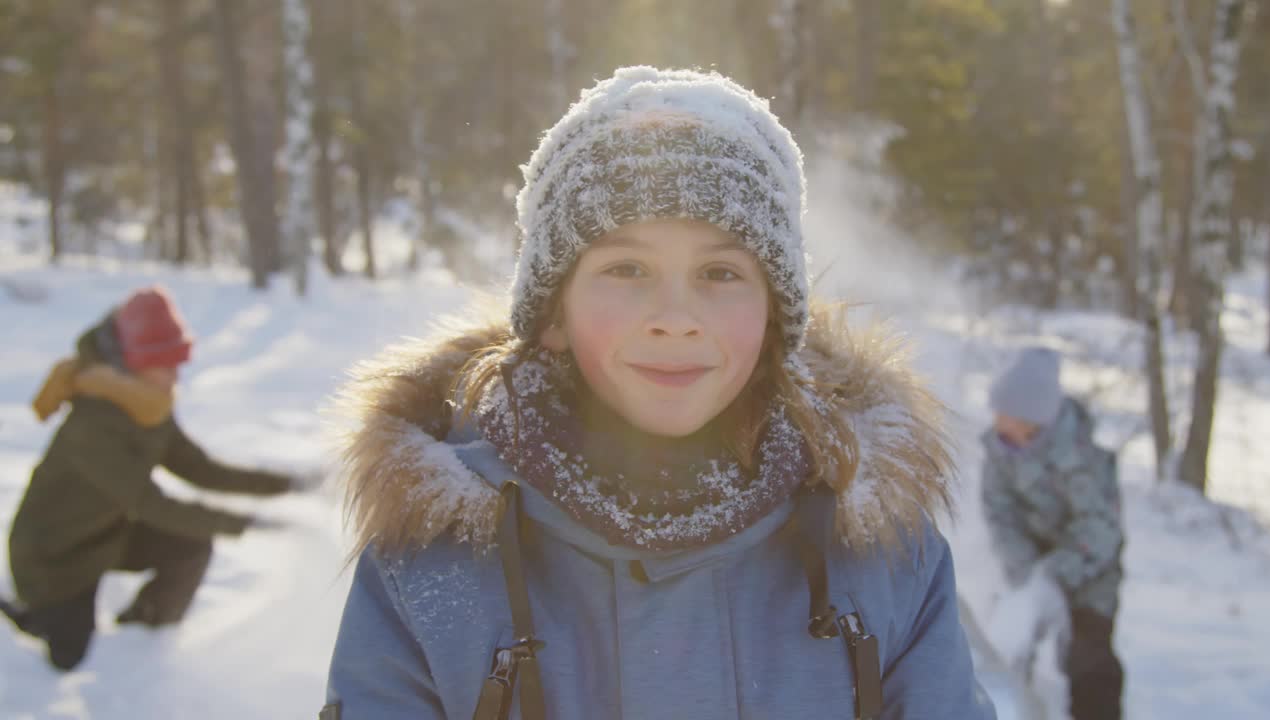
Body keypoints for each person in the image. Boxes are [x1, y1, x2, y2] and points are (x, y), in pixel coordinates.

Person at [323, 66, 994, 719]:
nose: (676, 315)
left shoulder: (880, 556)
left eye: (720, 272)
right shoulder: (432, 565)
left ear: (774, 319)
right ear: (553, 315)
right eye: (627, 267)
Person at [1, 286, 297, 671]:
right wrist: (249, 524)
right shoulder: (93, 423)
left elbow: (201, 470)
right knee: (67, 658)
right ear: (133, 362)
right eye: (165, 363)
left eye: (178, 361)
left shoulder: (147, 404)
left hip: (104, 534)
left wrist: (287, 487)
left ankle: (141, 639)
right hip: (53, 558)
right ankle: (24, 617)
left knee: (190, 545)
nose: (175, 374)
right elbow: (149, 504)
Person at [981, 347, 1125, 720]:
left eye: (1007, 414)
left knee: (1087, 659)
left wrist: (1053, 575)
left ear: (1034, 419)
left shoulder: (1080, 458)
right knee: (1009, 647)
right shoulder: (998, 450)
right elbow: (1000, 513)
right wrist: (1026, 572)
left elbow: (1101, 530)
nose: (998, 421)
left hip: (1089, 573)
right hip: (1031, 565)